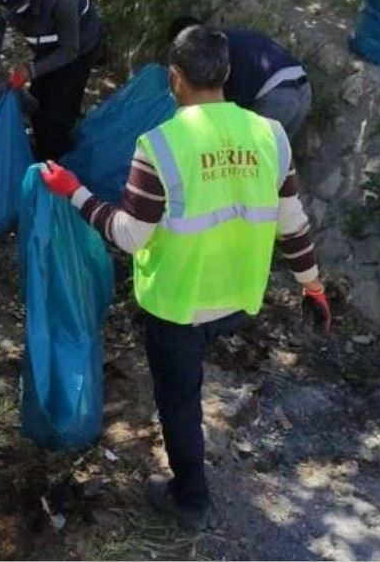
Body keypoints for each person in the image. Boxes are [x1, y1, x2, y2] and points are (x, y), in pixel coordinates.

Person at [40, 26, 330, 532]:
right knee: (194, 369)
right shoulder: (270, 135)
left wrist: (74, 192)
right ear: (227, 74)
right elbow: (293, 224)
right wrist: (313, 286)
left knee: (179, 401)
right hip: (238, 297)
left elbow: (129, 236)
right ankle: (190, 482)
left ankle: (189, 497)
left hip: (178, 304)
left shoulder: (159, 146)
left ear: (174, 79)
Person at [0, 0, 103, 160]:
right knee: (38, 103)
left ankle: (58, 167)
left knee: (57, 116)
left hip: (78, 48)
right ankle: (42, 155)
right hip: (47, 45)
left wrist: (30, 71)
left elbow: (69, 50)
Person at [169, 16, 312, 139]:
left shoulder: (209, 52)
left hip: (275, 96)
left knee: (249, 156)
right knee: (276, 158)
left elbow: (219, 107)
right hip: (302, 87)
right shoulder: (231, 39)